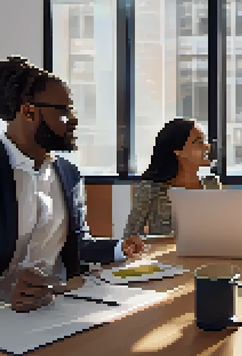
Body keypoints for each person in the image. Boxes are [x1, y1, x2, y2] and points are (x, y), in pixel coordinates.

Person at [0, 57, 144, 312]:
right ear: (29, 111)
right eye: (64, 111)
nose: (74, 120)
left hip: (60, 308)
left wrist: (118, 248)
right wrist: (7, 292)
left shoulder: (68, 174)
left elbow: (77, 245)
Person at [123, 118, 219, 239]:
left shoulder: (212, 184)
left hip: (207, 255)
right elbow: (129, 236)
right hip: (163, 256)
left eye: (205, 141)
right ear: (178, 151)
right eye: (199, 142)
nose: (207, 147)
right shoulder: (151, 189)